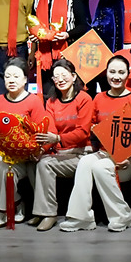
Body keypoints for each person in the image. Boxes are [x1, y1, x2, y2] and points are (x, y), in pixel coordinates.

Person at [59, 55, 131, 232]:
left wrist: (125, 156)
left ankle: (123, 216)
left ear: (127, 74)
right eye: (112, 72)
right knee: (85, 162)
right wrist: (94, 129)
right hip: (105, 152)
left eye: (121, 72)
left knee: (101, 167)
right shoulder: (99, 98)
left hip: (130, 156)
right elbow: (92, 125)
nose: (116, 76)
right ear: (106, 74)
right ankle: (81, 218)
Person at [0, 57, 53, 227]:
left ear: (25, 79)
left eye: (16, 76)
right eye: (7, 76)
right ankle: (17, 202)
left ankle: (3, 212)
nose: (11, 80)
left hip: (25, 157)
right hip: (3, 153)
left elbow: (41, 130)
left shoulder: (33, 101)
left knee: (5, 169)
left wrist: (37, 150)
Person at [31, 59, 94, 232]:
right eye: (56, 76)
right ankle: (42, 212)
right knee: (39, 161)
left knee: (46, 164)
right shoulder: (51, 102)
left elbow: (83, 133)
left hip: (82, 154)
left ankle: (47, 213)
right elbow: (50, 132)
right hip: (60, 153)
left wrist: (58, 138)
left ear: (74, 77)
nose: (60, 79)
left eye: (64, 75)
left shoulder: (84, 99)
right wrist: (41, 149)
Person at [30, 0, 75, 96]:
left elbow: (83, 26)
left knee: (67, 93)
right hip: (44, 56)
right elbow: (33, 27)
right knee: (48, 95)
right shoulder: (37, 0)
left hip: (66, 52)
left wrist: (67, 34)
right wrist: (32, 50)